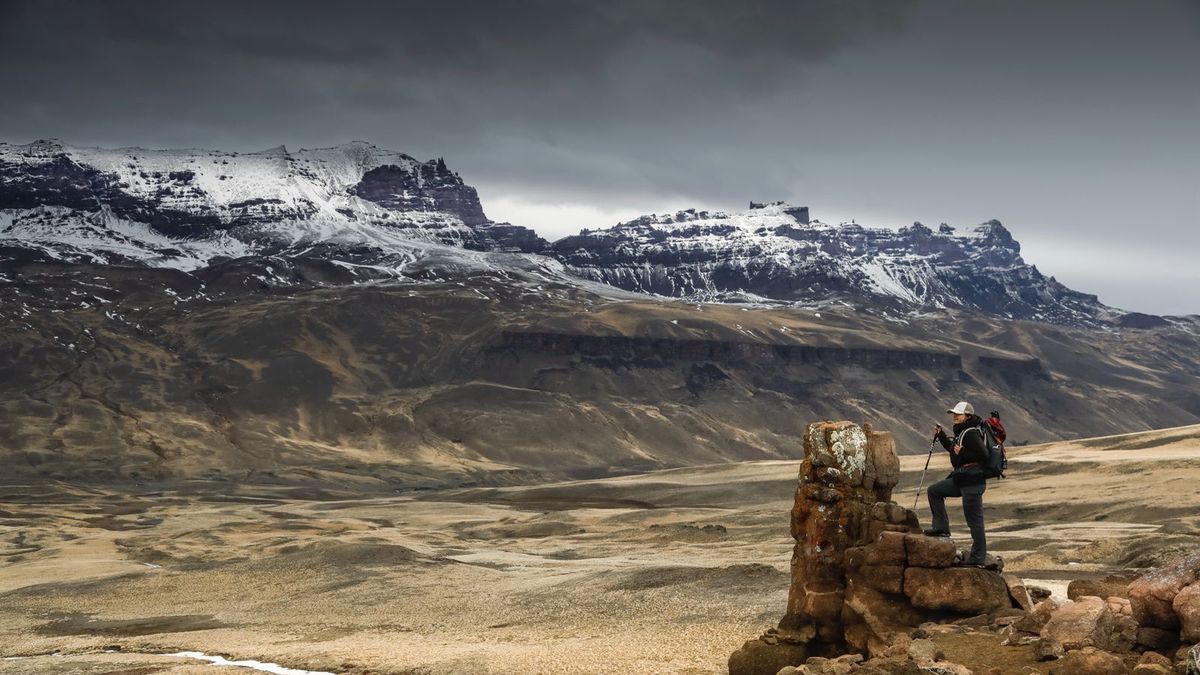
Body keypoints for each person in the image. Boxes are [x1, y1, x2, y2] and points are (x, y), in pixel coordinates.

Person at [924, 401, 989, 567]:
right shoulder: (963, 432)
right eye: (954, 414)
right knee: (934, 491)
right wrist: (941, 436)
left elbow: (983, 455)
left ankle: (977, 559)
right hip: (962, 479)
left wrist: (964, 452)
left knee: (974, 522)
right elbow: (954, 450)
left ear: (967, 416)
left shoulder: (971, 433)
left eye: (958, 414)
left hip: (972, 483)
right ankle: (941, 528)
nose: (954, 416)